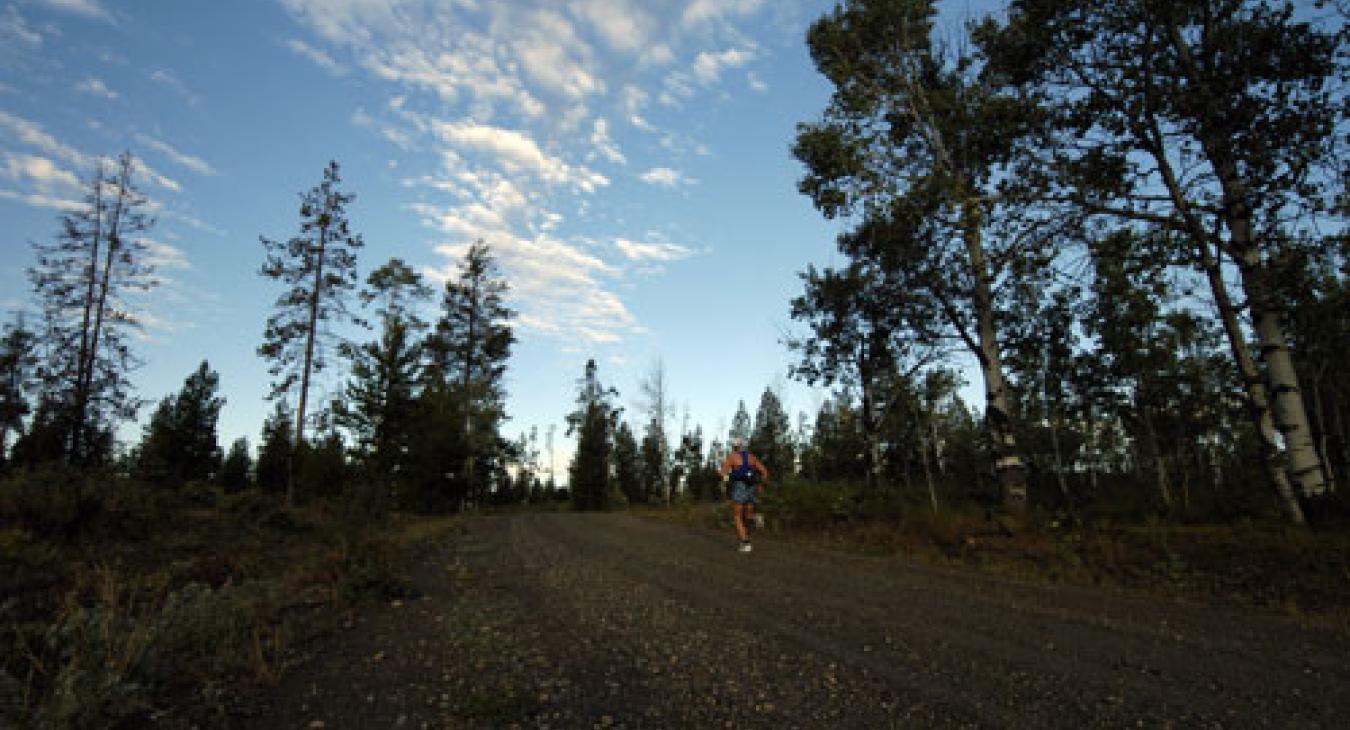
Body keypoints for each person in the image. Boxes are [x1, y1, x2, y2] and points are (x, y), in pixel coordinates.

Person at [719, 437, 770, 553]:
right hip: (753, 487)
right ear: (743, 446)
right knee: (747, 514)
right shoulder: (752, 457)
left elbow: (723, 472)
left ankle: (746, 543)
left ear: (734, 447)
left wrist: (726, 479)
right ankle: (757, 517)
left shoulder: (732, 457)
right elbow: (764, 471)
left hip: (740, 486)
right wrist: (761, 485)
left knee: (737, 516)